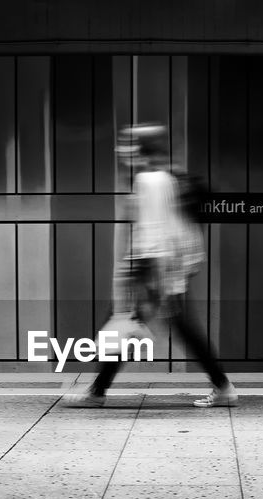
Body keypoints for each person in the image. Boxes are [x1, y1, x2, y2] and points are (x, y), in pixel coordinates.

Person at [64, 123, 238, 408]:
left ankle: (96, 393)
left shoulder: (149, 181)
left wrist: (147, 278)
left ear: (141, 149)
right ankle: (223, 387)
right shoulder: (166, 177)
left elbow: (154, 232)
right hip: (166, 271)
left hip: (153, 272)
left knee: (121, 324)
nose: (121, 150)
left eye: (127, 144)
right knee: (169, 328)